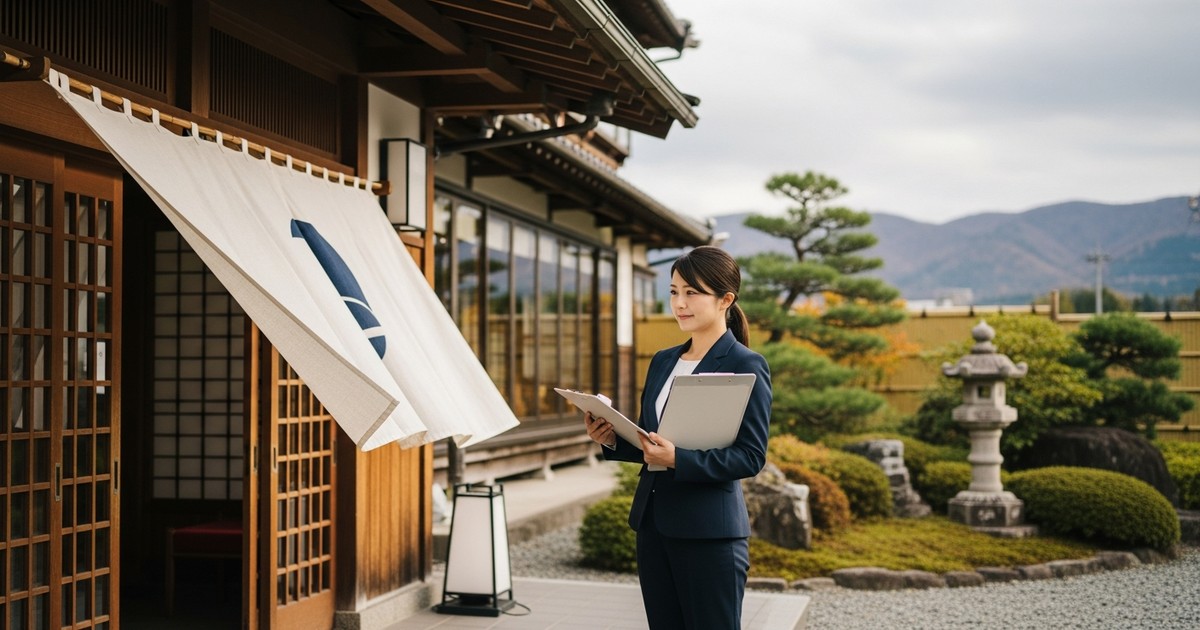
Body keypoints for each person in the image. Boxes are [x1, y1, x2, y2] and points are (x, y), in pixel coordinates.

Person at [584, 245, 772, 630]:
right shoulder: (663, 360)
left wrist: (678, 460)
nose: (680, 303)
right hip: (653, 527)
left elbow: (750, 456)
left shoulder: (745, 364)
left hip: (710, 534)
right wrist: (610, 438)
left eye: (692, 292)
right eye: (673, 292)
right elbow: (651, 441)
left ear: (726, 300)